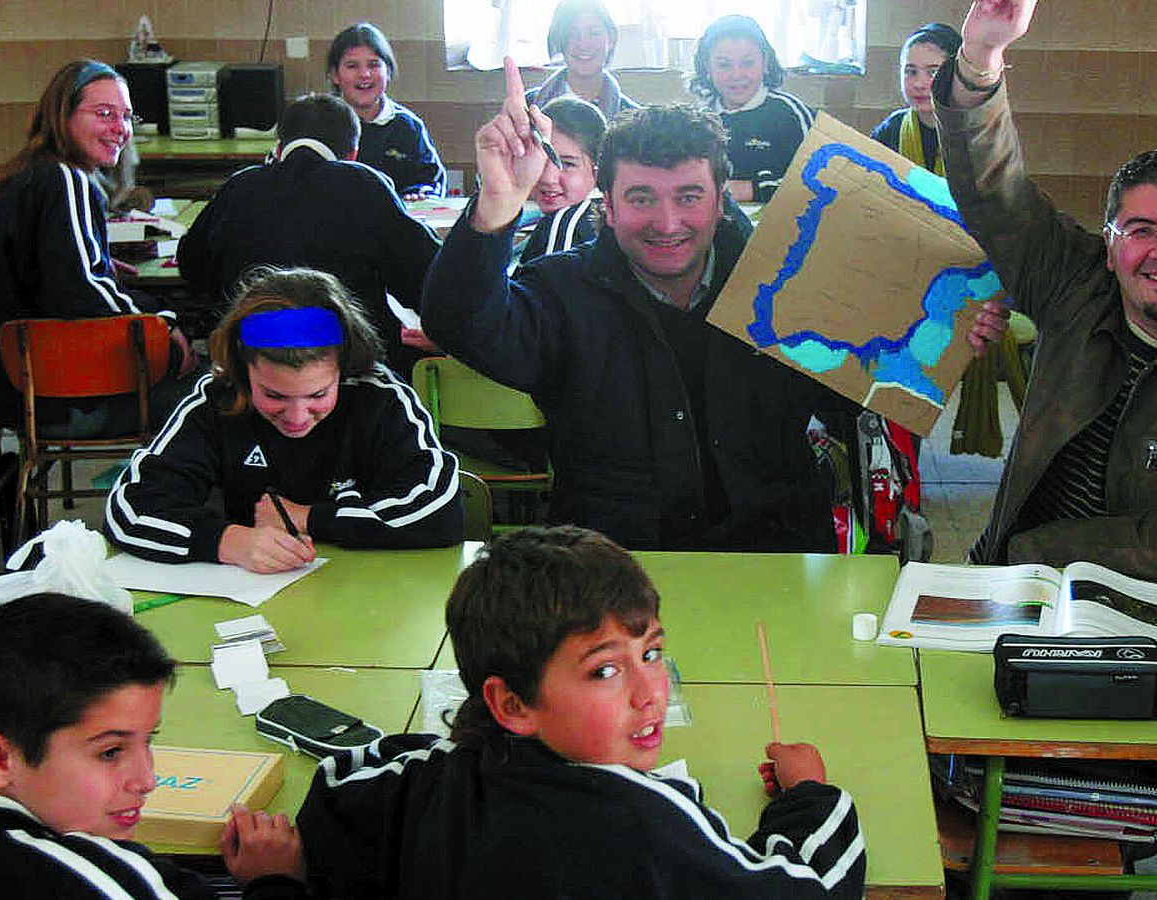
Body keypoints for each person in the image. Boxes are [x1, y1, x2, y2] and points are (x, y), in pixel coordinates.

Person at [423, 57, 865, 552]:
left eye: (689, 196)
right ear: (606, 207)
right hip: (613, 563)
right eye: (641, 199)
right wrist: (497, 202)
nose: (668, 221)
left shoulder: (784, 290)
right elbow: (458, 324)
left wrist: (955, 332)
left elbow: (866, 394)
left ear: (721, 202)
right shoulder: (562, 292)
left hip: (775, 557)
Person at [938, 0, 1157, 587]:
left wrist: (1037, 551)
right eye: (1140, 230)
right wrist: (981, 56)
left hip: (1149, 610)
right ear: (1109, 247)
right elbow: (995, 194)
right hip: (1011, 580)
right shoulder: (1078, 285)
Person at [297, 526, 866, 897]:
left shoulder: (435, 779)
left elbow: (337, 785)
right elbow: (816, 890)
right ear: (512, 704)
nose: (652, 693)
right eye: (605, 671)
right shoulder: (645, 825)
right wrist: (810, 796)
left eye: (652, 653)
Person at [105, 267, 462, 574]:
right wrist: (226, 540)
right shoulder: (217, 399)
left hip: (373, 592)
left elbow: (440, 508)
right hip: (253, 595)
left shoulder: (379, 397)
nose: (296, 417)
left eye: (318, 395)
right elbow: (130, 509)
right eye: (274, 396)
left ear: (344, 367)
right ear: (243, 371)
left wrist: (307, 517)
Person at [0, 593, 308, 898]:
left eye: (150, 740)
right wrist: (275, 883)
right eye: (110, 752)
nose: (147, 781)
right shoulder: (97, 878)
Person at [0, 60, 199, 436]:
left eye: (126, 117)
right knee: (207, 388)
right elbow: (81, 291)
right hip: (61, 402)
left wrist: (96, 261)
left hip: (16, 395)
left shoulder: (25, 177)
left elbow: (41, 270)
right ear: (62, 115)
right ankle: (153, 490)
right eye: (104, 114)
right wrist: (165, 325)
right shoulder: (65, 178)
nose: (120, 129)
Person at [177, 92, 441, 376]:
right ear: (352, 154)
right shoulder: (364, 185)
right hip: (350, 365)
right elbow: (426, 278)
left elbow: (193, 268)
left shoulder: (239, 186)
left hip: (254, 364)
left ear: (278, 150)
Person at [688, 15, 814, 203]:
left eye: (748, 63)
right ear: (707, 67)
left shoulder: (790, 113)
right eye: (724, 65)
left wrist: (752, 190)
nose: (737, 75)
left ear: (765, 63)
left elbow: (818, 183)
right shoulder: (699, 122)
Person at [327, 23, 446, 200]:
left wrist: (422, 194)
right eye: (352, 66)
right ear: (335, 75)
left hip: (396, 223)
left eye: (373, 65)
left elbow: (431, 180)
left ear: (388, 71)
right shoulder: (319, 122)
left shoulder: (407, 126)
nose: (364, 74)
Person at [519, 96, 607, 264]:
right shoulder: (601, 211)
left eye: (567, 164)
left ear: (598, 171)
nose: (548, 178)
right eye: (541, 159)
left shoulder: (563, 224)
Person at [870, 22, 962, 176]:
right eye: (911, 72)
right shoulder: (892, 130)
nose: (919, 84)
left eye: (933, 72)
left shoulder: (976, 133)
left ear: (957, 75)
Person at [523, 0, 640, 119]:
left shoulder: (634, 119)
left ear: (611, 39)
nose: (583, 44)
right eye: (572, 34)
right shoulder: (527, 106)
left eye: (595, 33)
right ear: (559, 41)